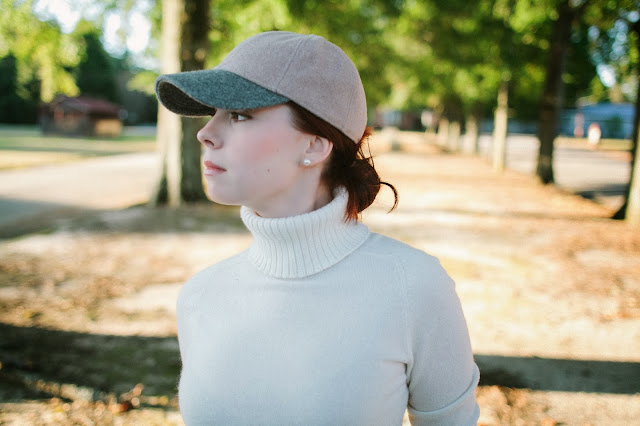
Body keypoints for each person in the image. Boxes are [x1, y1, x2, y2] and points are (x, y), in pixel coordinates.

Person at [155, 31, 479, 425]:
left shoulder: (414, 287)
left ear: (314, 145)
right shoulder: (200, 296)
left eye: (238, 115)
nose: (205, 133)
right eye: (213, 114)